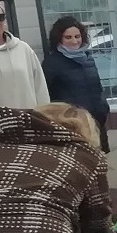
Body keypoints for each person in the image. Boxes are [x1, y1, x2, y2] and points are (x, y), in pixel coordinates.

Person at [41, 18, 109, 151]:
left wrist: (103, 108)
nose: (74, 41)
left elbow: (98, 89)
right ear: (59, 39)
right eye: (68, 37)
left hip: (96, 123)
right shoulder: (51, 63)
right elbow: (46, 95)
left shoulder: (88, 59)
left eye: (77, 36)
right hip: (71, 126)